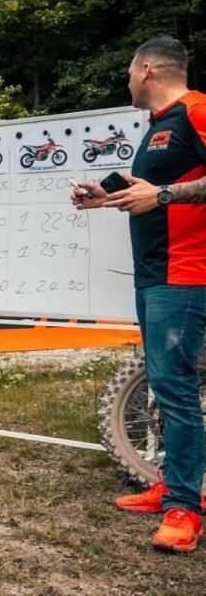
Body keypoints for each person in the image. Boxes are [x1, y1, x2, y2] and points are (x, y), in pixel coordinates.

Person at [72, 35, 206, 552]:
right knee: (163, 384)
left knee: (175, 388)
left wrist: (164, 193)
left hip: (185, 274)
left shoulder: (196, 111)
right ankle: (172, 486)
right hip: (153, 274)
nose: (127, 80)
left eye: (129, 71)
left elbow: (165, 195)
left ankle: (185, 509)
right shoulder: (157, 126)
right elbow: (151, 196)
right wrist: (107, 198)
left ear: (146, 69)